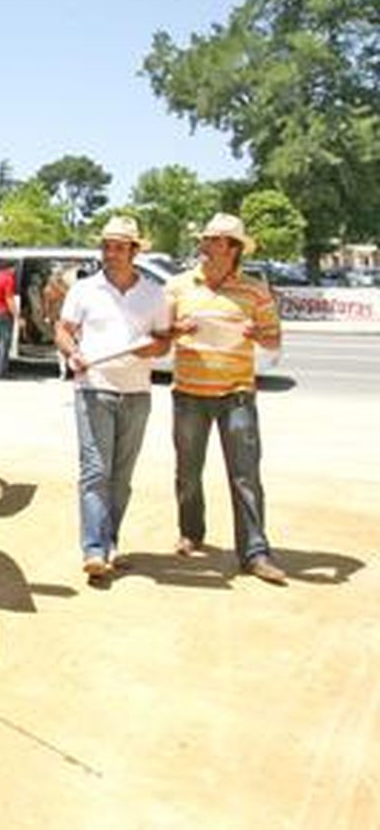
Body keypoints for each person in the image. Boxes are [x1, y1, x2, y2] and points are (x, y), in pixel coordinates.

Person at [166, 212, 288, 585]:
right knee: (188, 472)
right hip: (188, 392)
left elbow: (274, 340)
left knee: (246, 476)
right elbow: (158, 334)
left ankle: (254, 553)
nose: (205, 246)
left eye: (215, 241)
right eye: (205, 240)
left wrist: (256, 334)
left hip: (237, 394)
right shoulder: (177, 286)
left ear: (233, 250)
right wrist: (174, 329)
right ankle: (191, 533)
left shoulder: (255, 291)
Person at [55, 216, 172, 584]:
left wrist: (153, 347)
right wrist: (72, 353)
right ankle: (92, 549)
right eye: (106, 246)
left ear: (135, 251)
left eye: (119, 247)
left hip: (137, 393)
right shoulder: (84, 290)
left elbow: (164, 339)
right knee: (95, 471)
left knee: (121, 477)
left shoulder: (155, 293)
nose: (111, 253)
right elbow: (63, 329)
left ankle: (109, 542)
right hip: (94, 386)